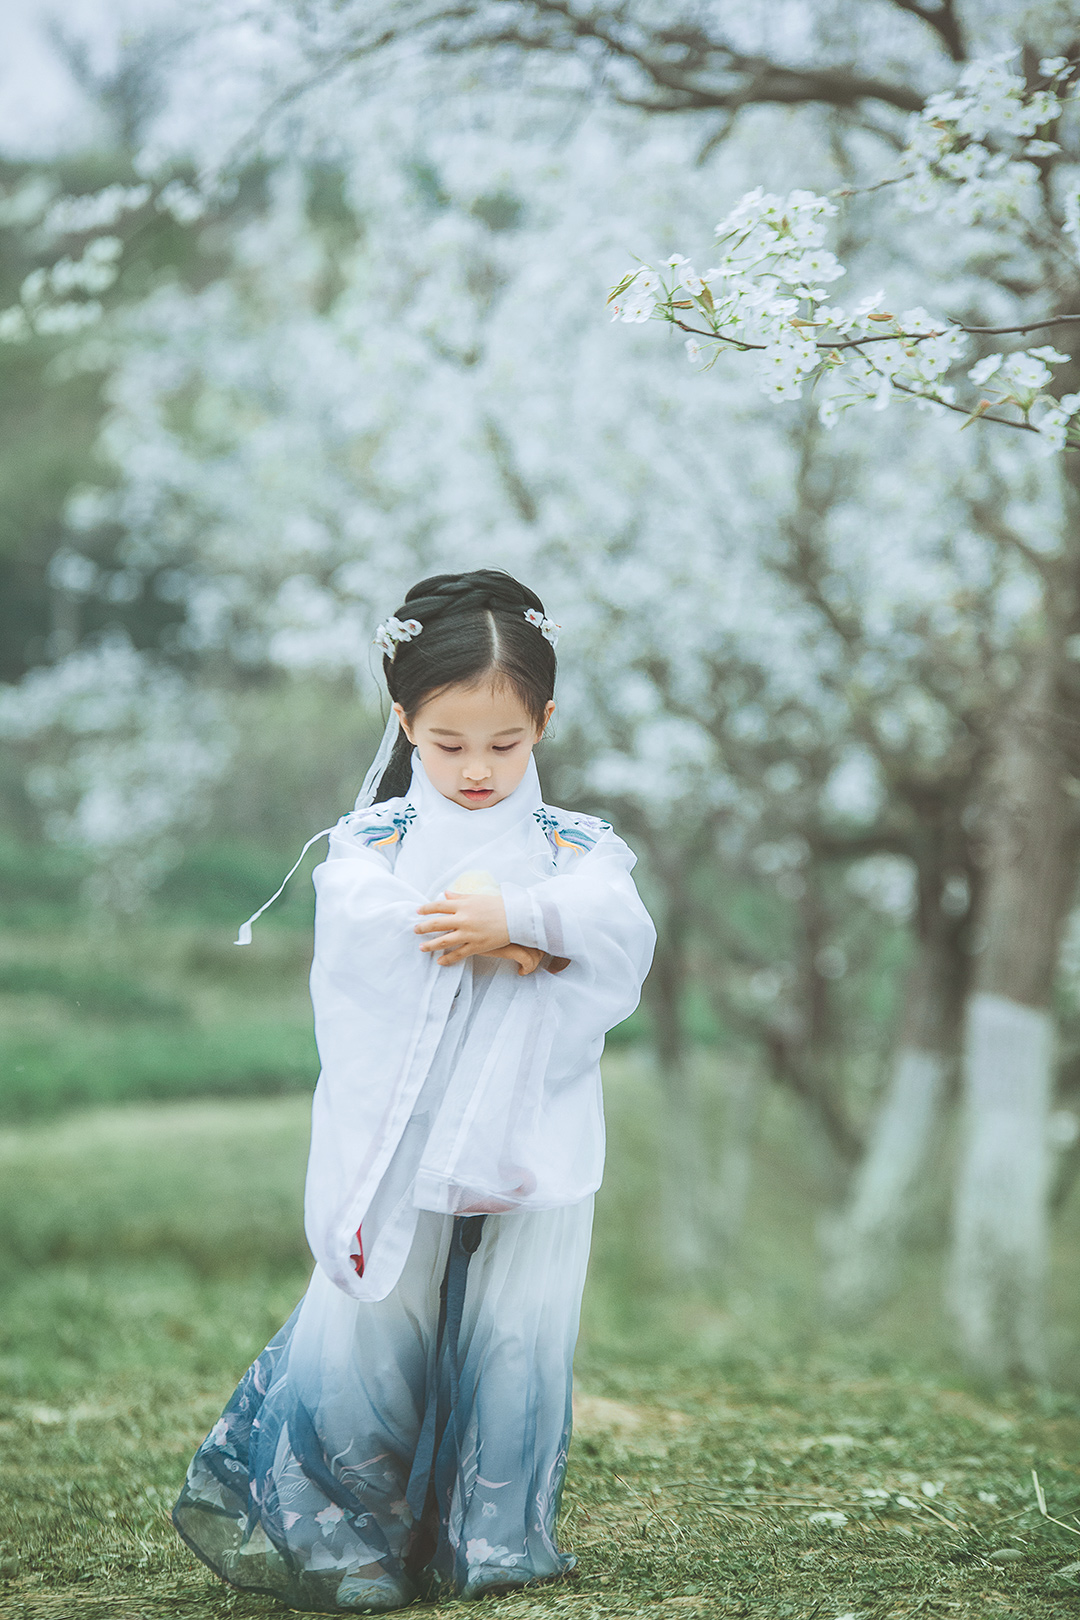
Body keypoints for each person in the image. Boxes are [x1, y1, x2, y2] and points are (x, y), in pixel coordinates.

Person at [171, 569, 656, 1613]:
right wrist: (511, 935)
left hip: (527, 1127)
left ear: (545, 723)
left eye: (504, 744)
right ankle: (347, 1537)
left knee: (519, 1326)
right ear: (403, 721)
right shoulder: (370, 845)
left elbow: (616, 936)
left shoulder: (576, 847)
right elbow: (370, 939)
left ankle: (498, 1535)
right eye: (448, 744)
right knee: (377, 1316)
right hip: (408, 1129)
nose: (477, 769)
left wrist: (522, 920)